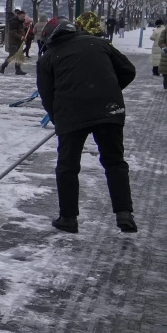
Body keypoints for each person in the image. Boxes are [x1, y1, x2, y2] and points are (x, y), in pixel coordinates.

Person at [38, 18, 137, 233]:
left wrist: (58, 118)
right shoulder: (99, 44)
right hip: (109, 110)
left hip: (71, 113)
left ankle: (68, 218)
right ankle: (124, 213)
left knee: (68, 167)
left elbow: (47, 96)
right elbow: (128, 70)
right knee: (114, 162)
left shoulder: (48, 57)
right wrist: (107, 89)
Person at [1, 10, 28, 75]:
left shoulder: (20, 22)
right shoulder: (14, 22)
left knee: (19, 56)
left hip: (19, 42)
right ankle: (3, 66)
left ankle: (18, 70)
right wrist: (20, 37)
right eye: (23, 16)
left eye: (24, 16)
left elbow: (20, 31)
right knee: (12, 56)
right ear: (18, 15)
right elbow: (13, 33)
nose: (24, 17)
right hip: (14, 42)